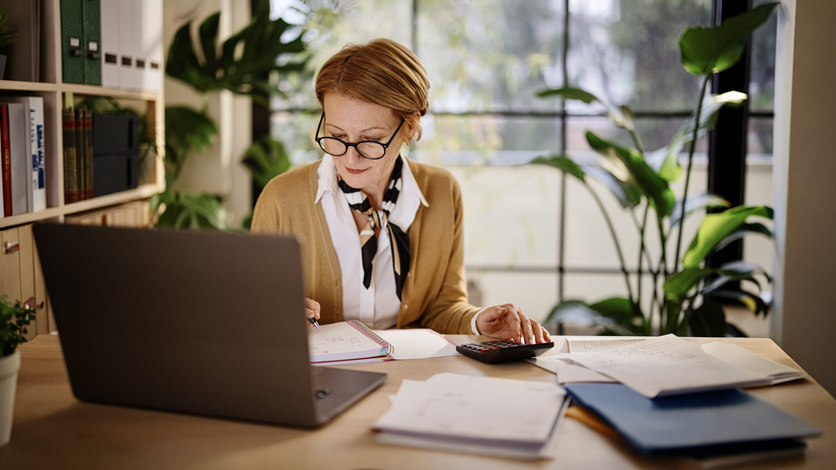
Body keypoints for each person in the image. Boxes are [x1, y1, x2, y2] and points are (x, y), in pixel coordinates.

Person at [251, 39, 550, 345]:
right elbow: (251, 313)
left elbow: (443, 307)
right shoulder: (281, 199)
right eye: (336, 135)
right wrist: (273, 315)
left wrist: (476, 322)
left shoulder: (442, 192)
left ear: (410, 126)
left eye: (371, 139)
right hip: (319, 383)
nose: (350, 158)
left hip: (411, 380)